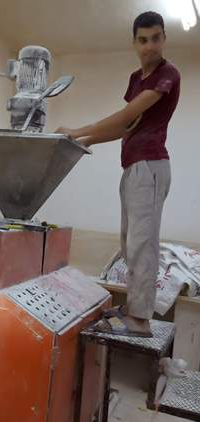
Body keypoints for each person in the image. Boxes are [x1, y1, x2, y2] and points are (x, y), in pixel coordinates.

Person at [56, 11, 180, 337]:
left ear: (164, 38)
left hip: (150, 166)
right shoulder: (136, 78)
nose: (150, 46)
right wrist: (84, 141)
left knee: (142, 244)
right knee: (129, 244)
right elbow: (127, 128)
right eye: (143, 40)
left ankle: (140, 320)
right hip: (133, 166)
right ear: (135, 43)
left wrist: (77, 130)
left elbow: (126, 115)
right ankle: (134, 308)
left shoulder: (168, 74)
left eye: (156, 38)